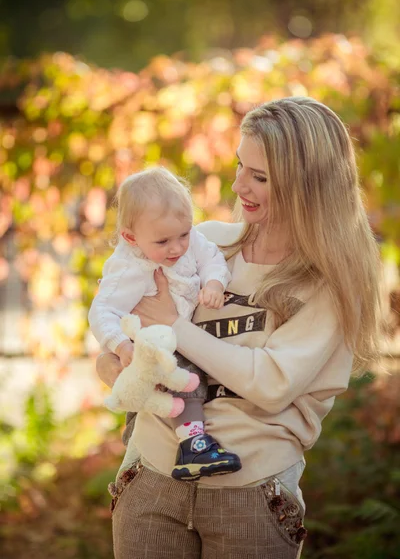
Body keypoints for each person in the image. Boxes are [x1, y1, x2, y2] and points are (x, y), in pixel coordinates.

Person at [96, 97, 382, 559]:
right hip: (151, 481)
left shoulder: (326, 285)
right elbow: (122, 323)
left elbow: (269, 384)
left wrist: (172, 323)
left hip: (249, 495)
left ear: (307, 186)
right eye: (239, 166)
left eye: (260, 177)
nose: (238, 185)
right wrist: (116, 362)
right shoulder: (202, 244)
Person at [89, 167, 242, 481]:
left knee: (187, 380)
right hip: (150, 349)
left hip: (178, 337)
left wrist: (214, 282)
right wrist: (121, 345)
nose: (177, 248)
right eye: (163, 241)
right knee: (185, 381)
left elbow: (212, 257)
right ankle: (193, 445)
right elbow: (101, 311)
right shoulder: (129, 268)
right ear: (131, 237)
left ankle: (186, 443)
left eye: (183, 234)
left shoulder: (191, 240)